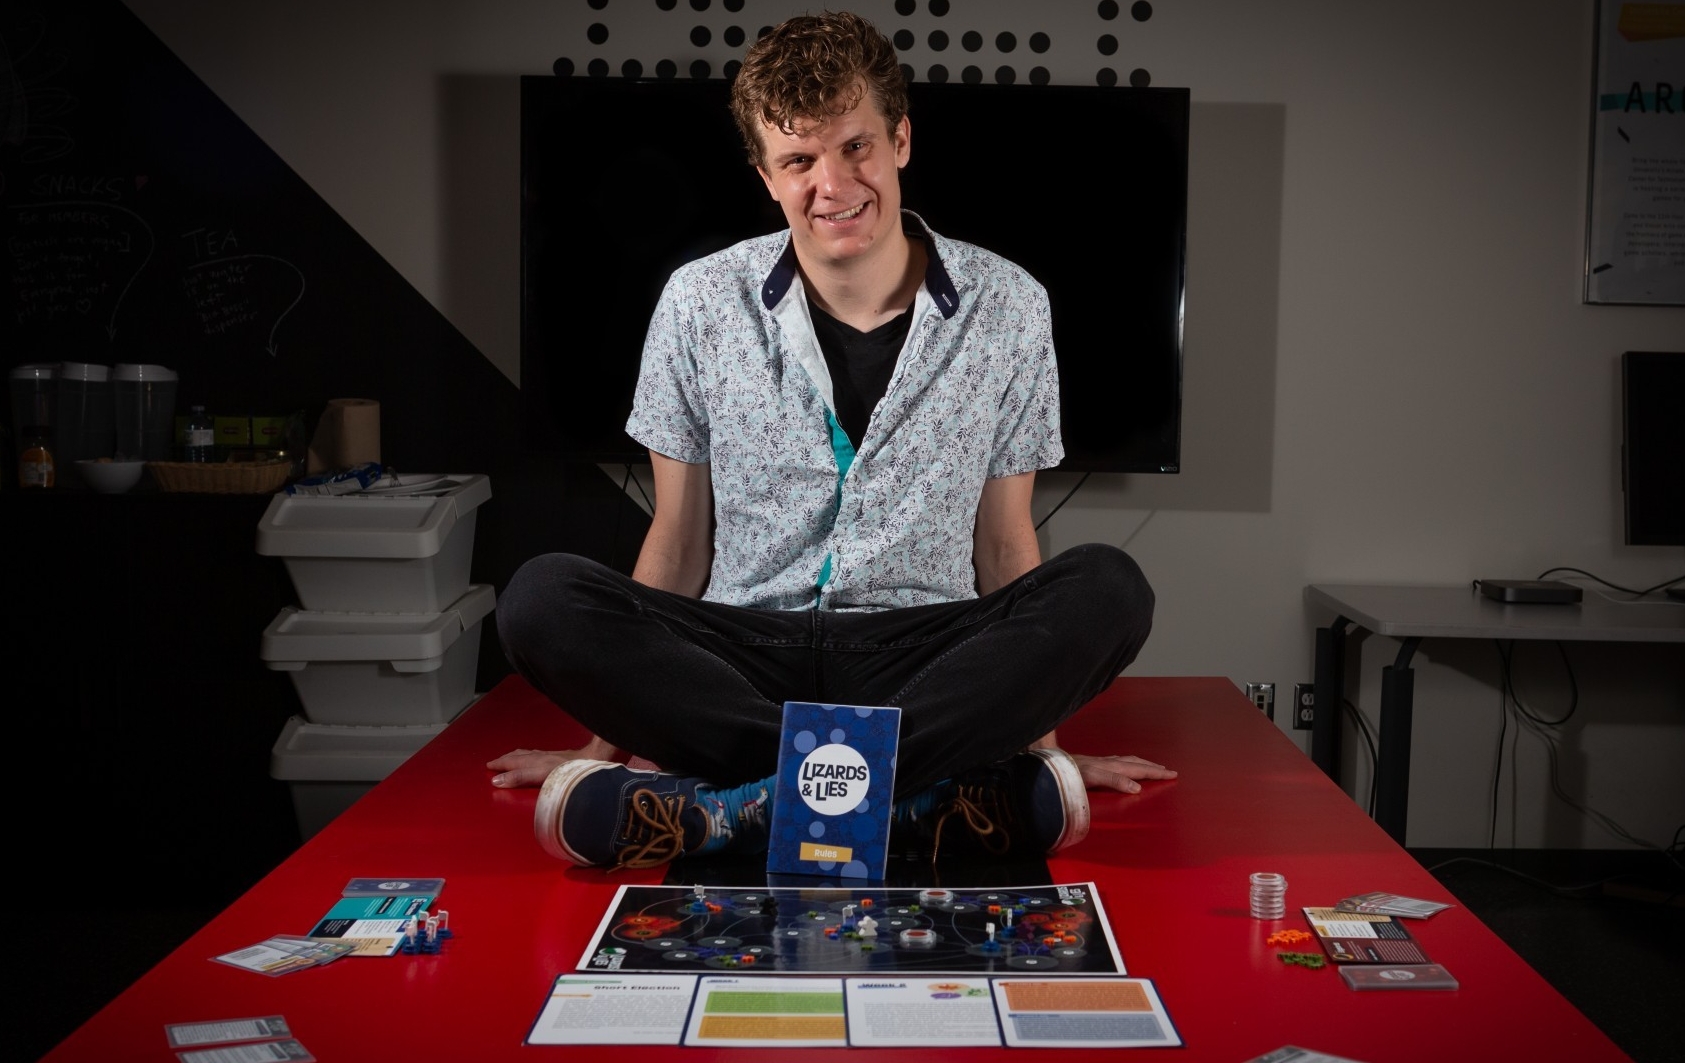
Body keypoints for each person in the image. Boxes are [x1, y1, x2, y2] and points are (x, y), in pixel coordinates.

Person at [489, 10, 1172, 870]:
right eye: (799, 160)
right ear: (765, 175)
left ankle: (736, 808)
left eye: (855, 147)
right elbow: (679, 537)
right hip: (743, 655)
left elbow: (1004, 544)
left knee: (1108, 585)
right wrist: (602, 747)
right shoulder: (699, 302)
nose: (832, 183)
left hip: (921, 654)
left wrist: (1040, 744)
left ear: (901, 139)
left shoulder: (1009, 305)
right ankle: (921, 802)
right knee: (541, 598)